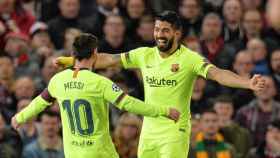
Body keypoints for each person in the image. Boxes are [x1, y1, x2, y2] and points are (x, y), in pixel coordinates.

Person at [55, 11, 266, 158]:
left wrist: (247, 83)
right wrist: (71, 61)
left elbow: (218, 74)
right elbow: (108, 59)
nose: (159, 35)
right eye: (157, 30)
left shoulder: (189, 59)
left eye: (165, 30)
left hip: (175, 131)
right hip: (148, 131)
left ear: (177, 33)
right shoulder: (144, 55)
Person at [11, 33, 180, 158]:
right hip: (99, 152)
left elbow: (40, 102)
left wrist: (20, 117)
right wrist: (163, 111)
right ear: (95, 53)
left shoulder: (58, 80)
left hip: (73, 153)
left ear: (73, 53)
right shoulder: (100, 83)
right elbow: (129, 104)